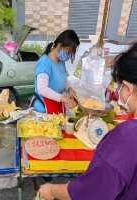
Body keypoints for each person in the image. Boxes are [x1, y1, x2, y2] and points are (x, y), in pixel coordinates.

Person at [38, 43, 137, 200]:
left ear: (128, 87)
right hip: (47, 105)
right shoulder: (44, 62)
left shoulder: (127, 137)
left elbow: (90, 192)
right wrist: (64, 97)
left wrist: (51, 191)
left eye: (120, 87)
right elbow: (41, 88)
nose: (118, 92)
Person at [32, 30, 80, 114]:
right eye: (68, 51)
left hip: (55, 105)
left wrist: (69, 89)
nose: (68, 55)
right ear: (60, 45)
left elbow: (64, 79)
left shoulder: (61, 62)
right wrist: (64, 99)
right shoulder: (45, 62)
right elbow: (42, 89)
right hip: (43, 108)